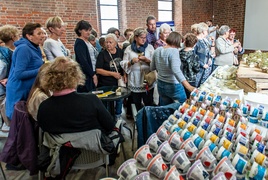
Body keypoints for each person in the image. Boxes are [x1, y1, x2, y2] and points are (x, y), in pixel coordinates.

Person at [37, 57, 118, 164]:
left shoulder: (44, 107)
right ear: (75, 76)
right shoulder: (91, 100)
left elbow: (47, 131)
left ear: (49, 78)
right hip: (96, 156)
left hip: (61, 160)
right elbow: (110, 125)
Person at [5, 22, 45, 121]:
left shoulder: (35, 47)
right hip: (19, 91)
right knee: (20, 124)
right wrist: (41, 70)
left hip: (27, 89)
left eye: (43, 33)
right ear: (29, 36)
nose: (43, 35)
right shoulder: (24, 49)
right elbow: (19, 74)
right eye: (39, 33)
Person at [151, 32, 194, 105]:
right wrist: (188, 86)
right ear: (178, 41)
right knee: (182, 106)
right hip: (173, 84)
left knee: (165, 109)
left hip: (160, 83)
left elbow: (152, 67)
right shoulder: (174, 51)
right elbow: (176, 70)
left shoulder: (157, 50)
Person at [120, 27, 155, 112]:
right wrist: (131, 62)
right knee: (136, 103)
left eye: (145, 38)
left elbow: (155, 63)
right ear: (135, 37)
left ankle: (148, 119)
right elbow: (123, 63)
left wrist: (147, 61)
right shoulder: (129, 49)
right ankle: (138, 120)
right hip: (135, 80)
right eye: (141, 38)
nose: (144, 40)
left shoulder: (149, 48)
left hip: (147, 78)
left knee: (148, 102)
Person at [96, 33, 125, 120]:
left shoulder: (120, 52)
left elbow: (124, 65)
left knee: (119, 99)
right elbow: (98, 70)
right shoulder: (102, 54)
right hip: (106, 83)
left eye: (110, 42)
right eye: (106, 42)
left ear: (115, 43)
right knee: (107, 102)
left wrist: (124, 75)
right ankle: (108, 119)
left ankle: (118, 116)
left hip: (118, 83)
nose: (108, 44)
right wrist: (112, 74)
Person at [74, 20, 97, 92]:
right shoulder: (80, 43)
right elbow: (83, 61)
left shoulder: (87, 41)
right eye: (86, 30)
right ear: (80, 30)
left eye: (89, 30)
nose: (89, 32)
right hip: (86, 74)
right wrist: (92, 75)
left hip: (91, 72)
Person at [180, 33, 200, 98]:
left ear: (184, 42)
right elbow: (197, 69)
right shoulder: (194, 56)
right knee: (191, 97)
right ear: (194, 44)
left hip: (180, 79)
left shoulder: (179, 53)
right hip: (191, 80)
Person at [194, 22, 214, 87]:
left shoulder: (204, 40)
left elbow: (206, 53)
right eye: (206, 30)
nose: (207, 32)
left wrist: (210, 57)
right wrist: (202, 64)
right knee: (197, 86)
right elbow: (193, 56)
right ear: (203, 31)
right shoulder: (195, 41)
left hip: (206, 69)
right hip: (199, 70)